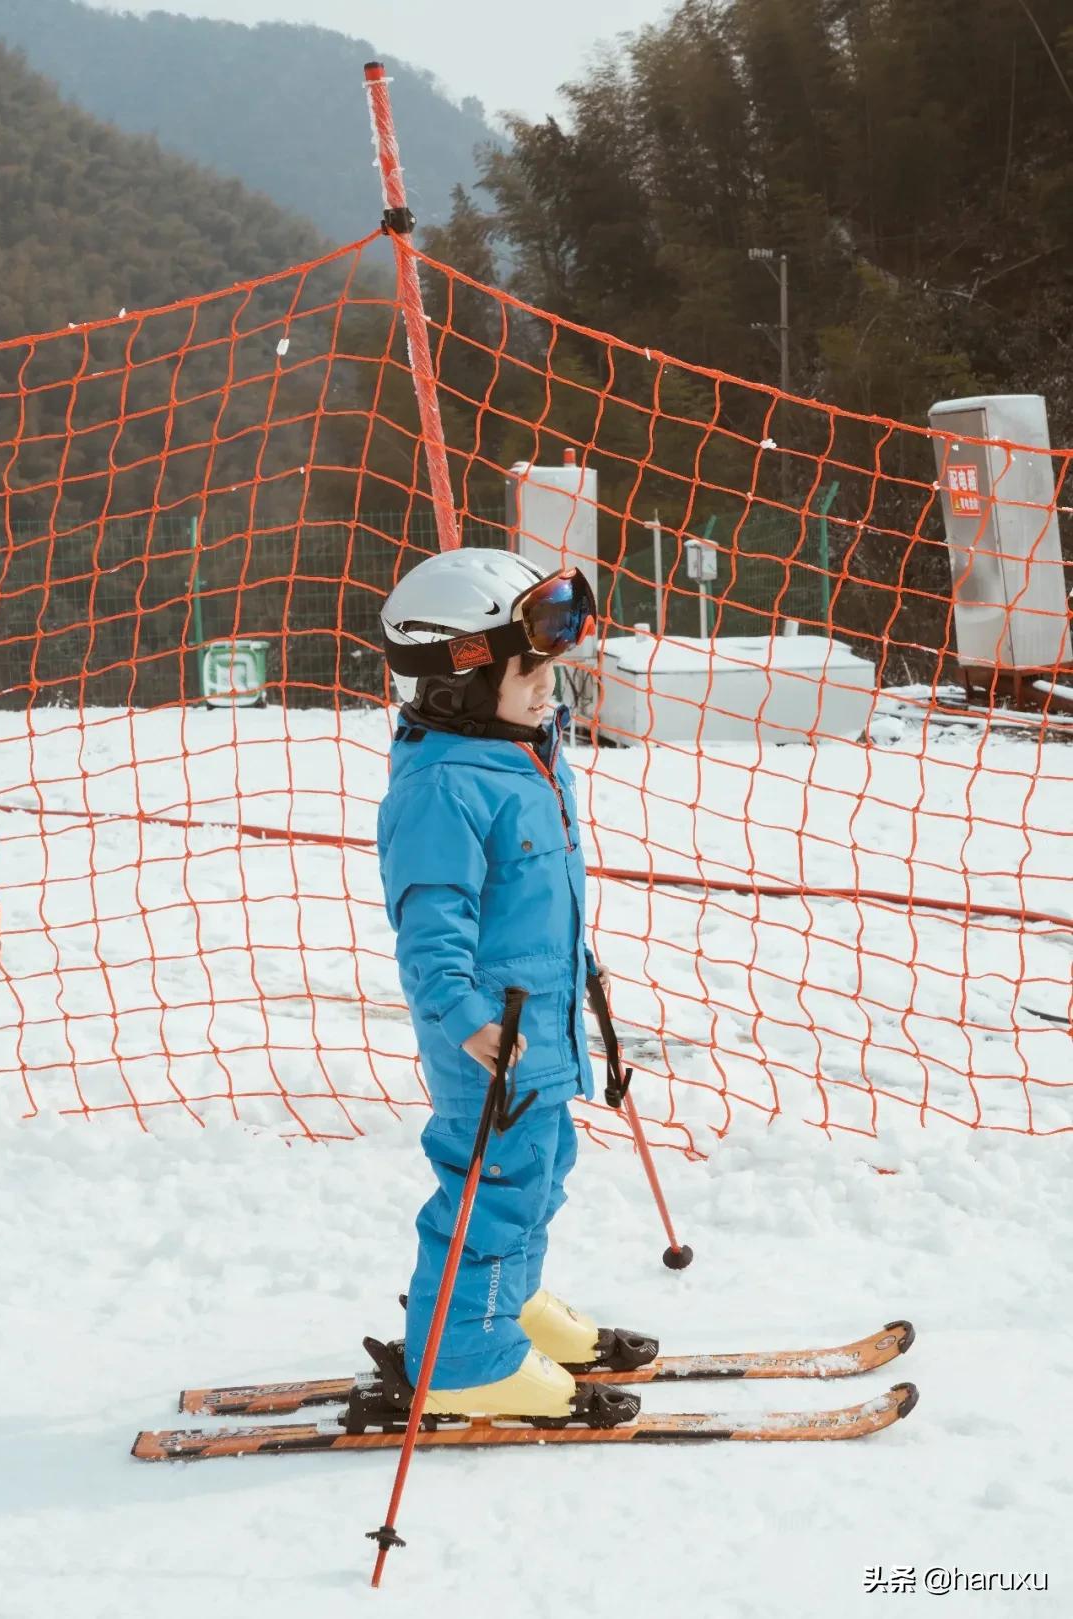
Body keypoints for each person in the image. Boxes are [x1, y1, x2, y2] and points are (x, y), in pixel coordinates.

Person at [376, 546, 610, 1419]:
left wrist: (581, 969)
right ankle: (464, 1353)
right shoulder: (443, 786)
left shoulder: (525, 754)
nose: (552, 688)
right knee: (488, 1190)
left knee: (542, 1173)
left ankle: (504, 1301)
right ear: (465, 682)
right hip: (489, 1038)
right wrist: (466, 1015)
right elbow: (429, 924)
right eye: (532, 672)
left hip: (542, 1023)